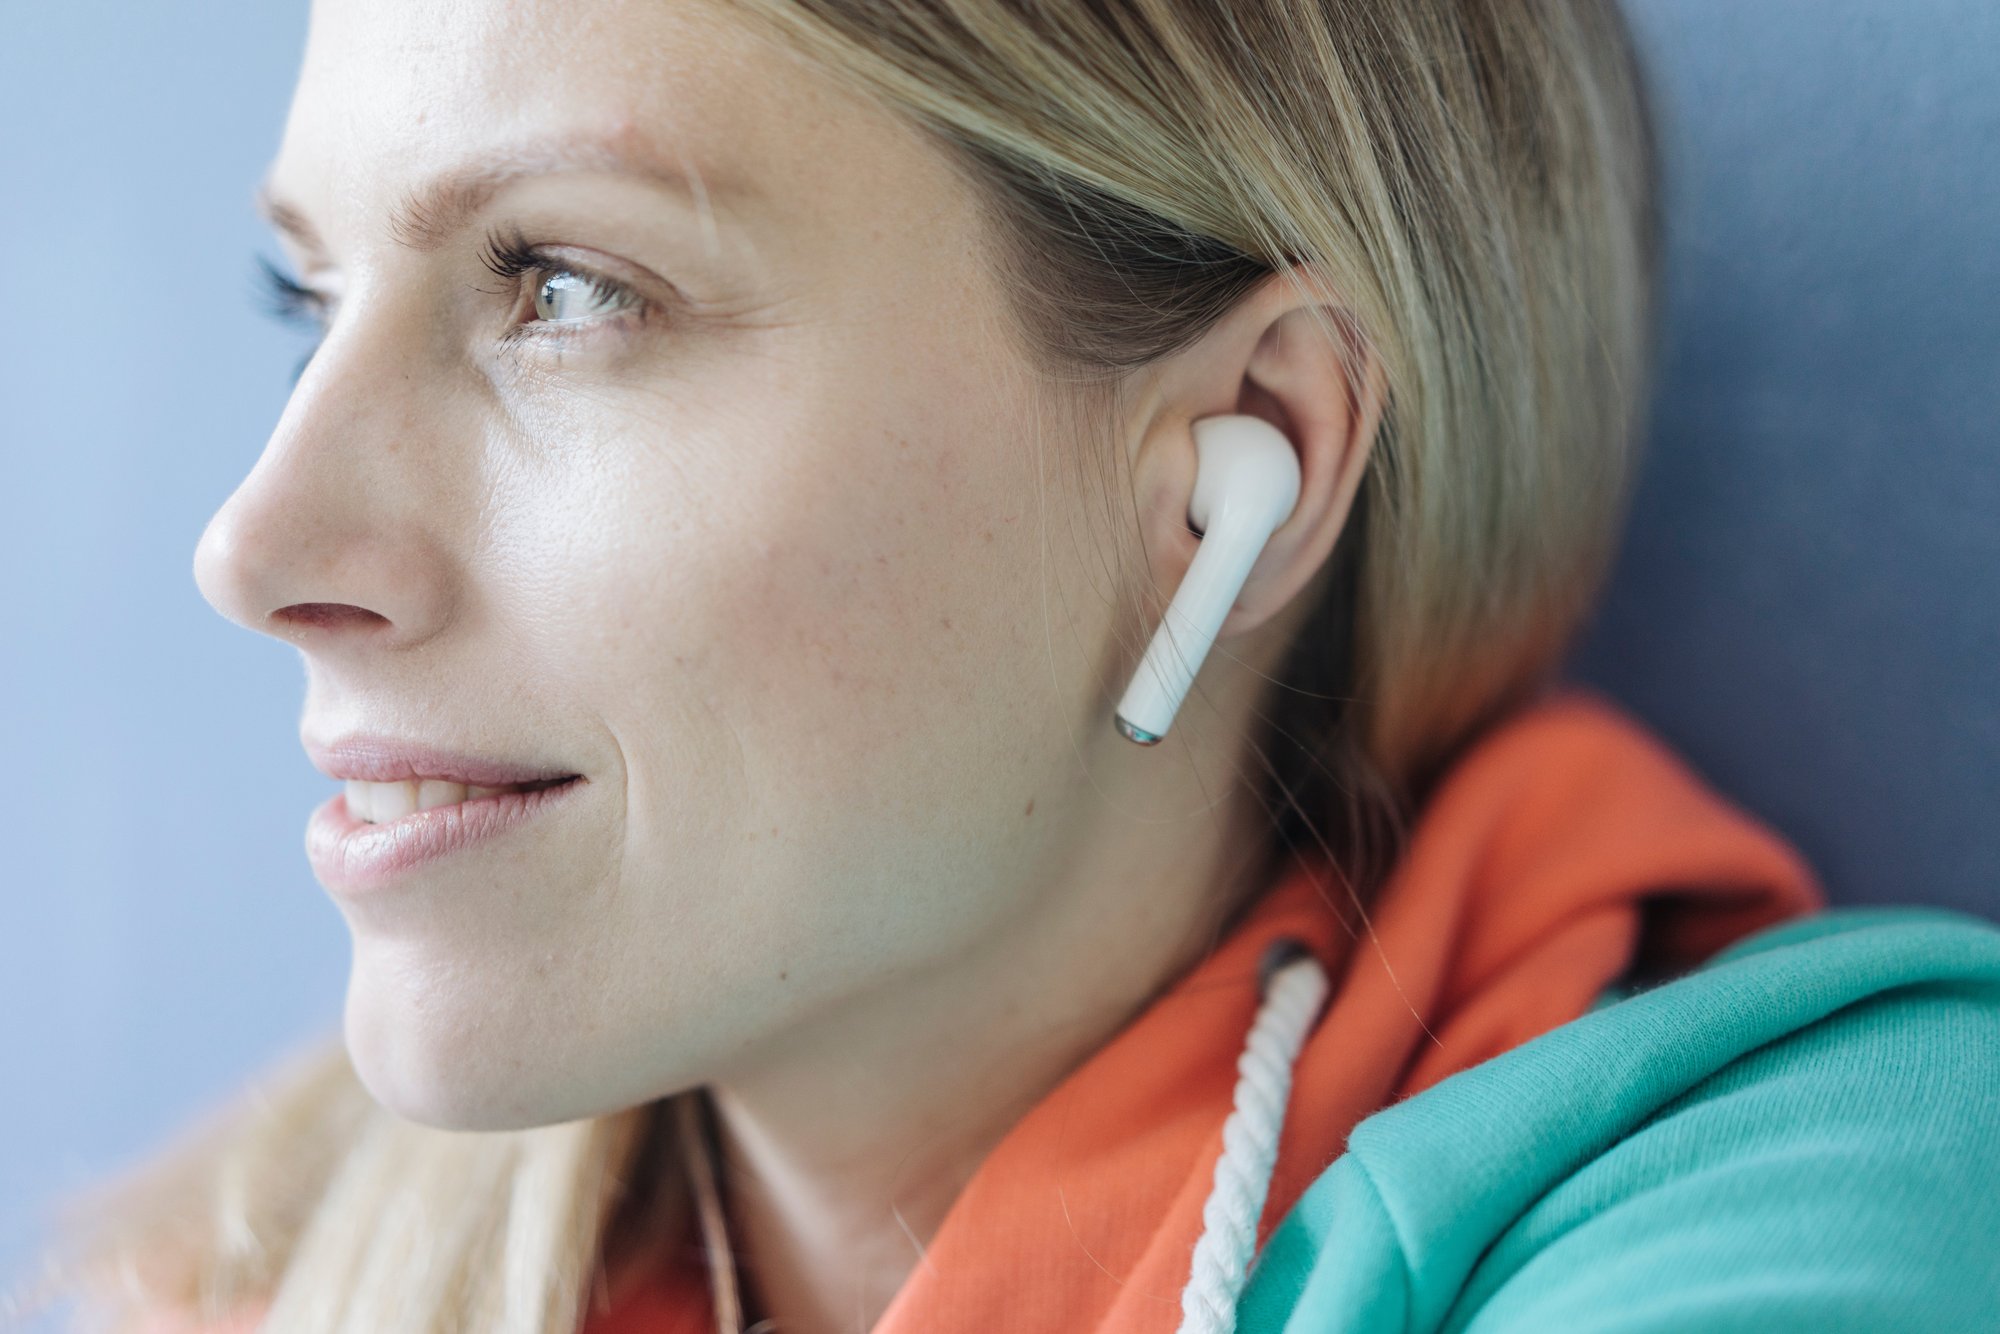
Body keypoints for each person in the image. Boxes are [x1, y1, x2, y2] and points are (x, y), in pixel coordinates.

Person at [16, 0, 1998, 1331]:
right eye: (311, 293)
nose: (255, 549)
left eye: (566, 286)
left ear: (1241, 473)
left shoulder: (1816, 1209)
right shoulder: (245, 1274)